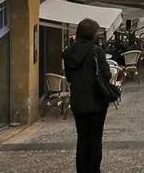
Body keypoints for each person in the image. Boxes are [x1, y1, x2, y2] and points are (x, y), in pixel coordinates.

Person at [63, 18, 111, 173]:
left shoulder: (68, 53)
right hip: (97, 101)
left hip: (78, 101)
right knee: (95, 139)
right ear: (92, 34)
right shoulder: (96, 51)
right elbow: (106, 75)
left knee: (82, 138)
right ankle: (94, 170)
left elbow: (69, 77)